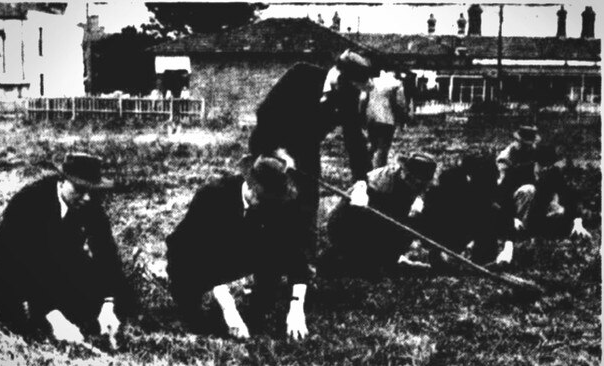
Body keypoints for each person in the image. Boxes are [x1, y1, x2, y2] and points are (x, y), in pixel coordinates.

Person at [0, 153, 132, 344]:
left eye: (92, 190)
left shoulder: (89, 203)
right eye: (80, 189)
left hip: (53, 268)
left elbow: (106, 253)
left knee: (99, 302)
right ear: (61, 181)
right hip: (8, 272)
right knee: (29, 323)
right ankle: (35, 323)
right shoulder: (28, 203)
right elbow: (27, 264)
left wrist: (108, 305)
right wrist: (52, 315)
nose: (87, 197)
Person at [249, 49, 378, 272]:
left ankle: (303, 267)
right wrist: (279, 152)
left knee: (308, 203)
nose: (352, 93)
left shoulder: (348, 94)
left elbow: (354, 139)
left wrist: (361, 182)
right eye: (350, 86)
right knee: (272, 204)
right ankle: (264, 265)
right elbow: (266, 113)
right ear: (339, 76)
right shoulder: (301, 75)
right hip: (271, 144)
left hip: (306, 150)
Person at [166, 155, 309, 340]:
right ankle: (191, 301)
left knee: (273, 249)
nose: (269, 206)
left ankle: (261, 301)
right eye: (264, 199)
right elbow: (203, 255)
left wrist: (297, 309)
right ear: (250, 187)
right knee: (194, 312)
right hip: (191, 256)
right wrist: (229, 310)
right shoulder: (212, 196)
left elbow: (297, 256)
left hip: (239, 251)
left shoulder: (277, 203)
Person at [324, 152, 437, 277]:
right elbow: (366, 218)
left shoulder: (410, 186)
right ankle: (362, 261)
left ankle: (387, 261)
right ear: (406, 175)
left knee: (411, 220)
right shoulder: (379, 185)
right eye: (418, 184)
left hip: (376, 227)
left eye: (423, 184)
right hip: (348, 230)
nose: (420, 188)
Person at [421, 154, 515, 267]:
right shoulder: (447, 189)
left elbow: (502, 216)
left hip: (470, 237)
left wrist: (507, 248)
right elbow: (429, 227)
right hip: (447, 238)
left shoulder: (483, 191)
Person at [513, 145, 591, 240]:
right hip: (516, 215)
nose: (544, 169)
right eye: (542, 165)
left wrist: (577, 222)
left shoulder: (553, 174)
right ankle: (520, 232)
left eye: (548, 165)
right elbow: (503, 198)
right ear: (535, 162)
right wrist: (513, 218)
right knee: (528, 189)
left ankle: (536, 232)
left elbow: (570, 198)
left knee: (561, 211)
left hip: (539, 215)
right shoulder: (521, 172)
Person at [496, 124, 541, 232]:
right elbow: (501, 188)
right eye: (525, 145)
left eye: (530, 144)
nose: (529, 147)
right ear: (518, 142)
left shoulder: (535, 153)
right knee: (528, 190)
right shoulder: (505, 158)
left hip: (533, 197)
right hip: (512, 199)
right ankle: (519, 227)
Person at [363, 70, 409, 168]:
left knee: (373, 145)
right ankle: (379, 170)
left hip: (371, 118)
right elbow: (400, 103)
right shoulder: (396, 84)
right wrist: (402, 120)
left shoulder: (372, 81)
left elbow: (363, 99)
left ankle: (366, 167)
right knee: (383, 148)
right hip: (387, 119)